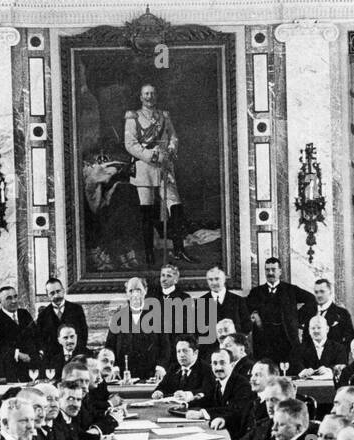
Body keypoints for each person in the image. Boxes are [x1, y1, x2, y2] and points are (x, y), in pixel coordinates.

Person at [124, 83, 190, 264]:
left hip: (164, 167)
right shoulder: (133, 117)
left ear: (156, 96)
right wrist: (150, 155)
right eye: (146, 94)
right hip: (145, 168)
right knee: (147, 213)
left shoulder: (164, 116)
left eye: (152, 93)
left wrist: (171, 147)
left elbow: (173, 136)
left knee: (176, 208)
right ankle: (149, 254)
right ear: (140, 97)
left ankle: (179, 250)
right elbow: (130, 144)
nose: (149, 97)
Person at [246, 257, 314, 364]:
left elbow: (312, 300)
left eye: (273, 269)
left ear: (280, 271)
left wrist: (297, 319)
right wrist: (254, 315)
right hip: (264, 340)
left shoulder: (291, 290)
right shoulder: (256, 292)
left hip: (286, 339)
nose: (270, 273)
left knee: (287, 370)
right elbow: (246, 309)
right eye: (267, 270)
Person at [104, 277, 168, 382]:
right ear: (126, 293)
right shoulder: (118, 317)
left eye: (138, 290)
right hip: (123, 376)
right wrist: (114, 368)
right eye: (131, 291)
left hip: (151, 375)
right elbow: (110, 346)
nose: (135, 294)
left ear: (145, 291)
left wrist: (160, 368)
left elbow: (165, 346)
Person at [201, 350, 253, 437]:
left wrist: (203, 413)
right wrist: (186, 405)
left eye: (222, 363)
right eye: (215, 363)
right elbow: (208, 399)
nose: (218, 367)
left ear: (232, 365)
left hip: (237, 436)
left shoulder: (242, 384)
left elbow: (235, 410)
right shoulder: (218, 382)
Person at [34, 278, 87, 361]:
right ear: (47, 294)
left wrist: (74, 354)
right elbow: (41, 339)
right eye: (52, 293)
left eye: (58, 291)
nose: (56, 296)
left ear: (63, 290)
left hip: (75, 357)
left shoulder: (76, 309)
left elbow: (83, 335)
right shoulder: (43, 315)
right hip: (52, 360)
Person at [0, 285, 37, 367]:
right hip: (10, 366)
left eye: (15, 297)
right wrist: (17, 354)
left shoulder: (24, 313)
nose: (14, 301)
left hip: (32, 364)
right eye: (9, 298)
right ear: (0, 301)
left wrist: (40, 352)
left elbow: (36, 335)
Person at [299, 279, 354, 346]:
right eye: (316, 292)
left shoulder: (342, 313)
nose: (319, 295)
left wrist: (340, 354)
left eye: (322, 292)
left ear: (330, 292)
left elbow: (350, 338)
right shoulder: (308, 311)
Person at [199, 267, 251, 334]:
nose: (214, 283)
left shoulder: (238, 301)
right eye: (210, 280)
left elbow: (247, 326)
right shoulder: (200, 302)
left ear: (224, 280)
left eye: (217, 279)